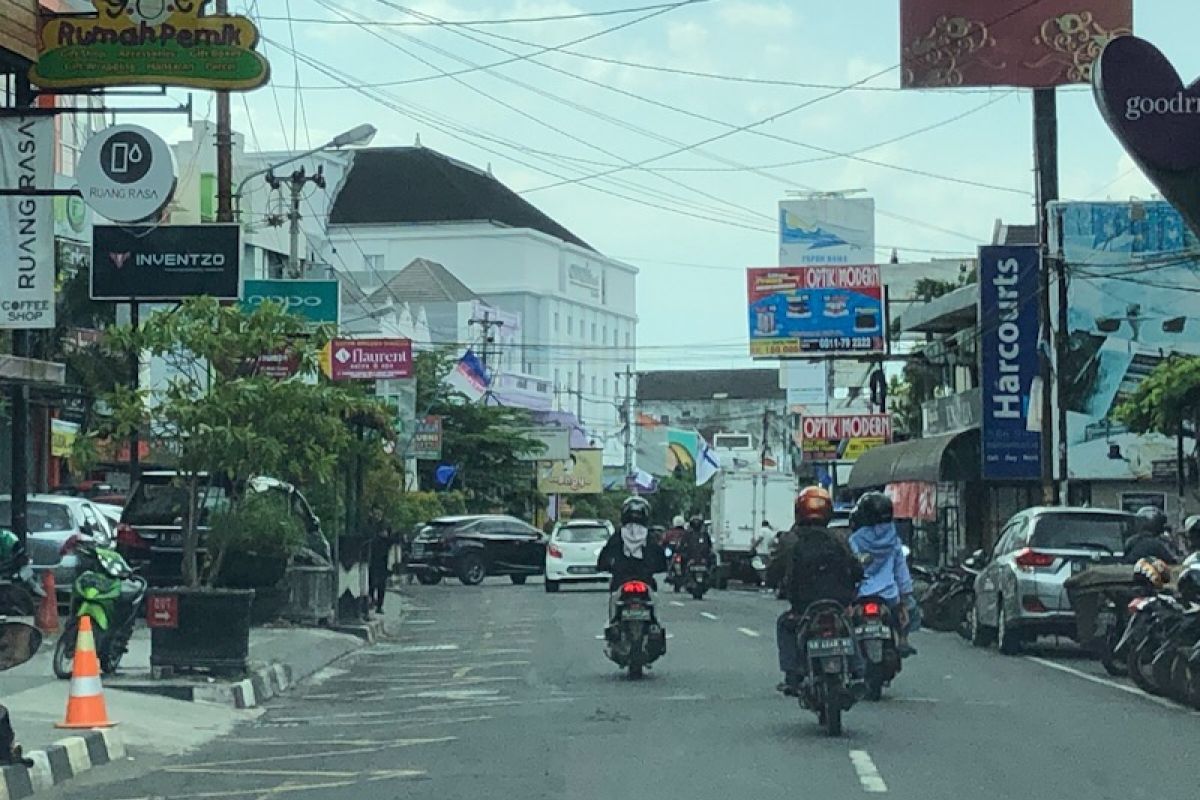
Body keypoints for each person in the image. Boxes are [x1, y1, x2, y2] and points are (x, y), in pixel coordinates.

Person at [775, 486, 863, 695]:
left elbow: (775, 570)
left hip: (804, 607)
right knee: (849, 627)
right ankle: (858, 671)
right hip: (837, 604)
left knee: (784, 626)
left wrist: (775, 581)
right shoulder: (839, 539)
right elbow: (856, 568)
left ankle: (792, 675)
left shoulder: (791, 540)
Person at [848, 492, 916, 658]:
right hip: (889, 595)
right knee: (911, 608)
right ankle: (903, 640)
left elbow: (850, 567)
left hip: (860, 594)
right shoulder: (893, 539)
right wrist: (905, 595)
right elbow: (901, 571)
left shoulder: (855, 539)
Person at [598, 496, 667, 622]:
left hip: (621, 579)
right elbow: (661, 560)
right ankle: (655, 624)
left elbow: (604, 557)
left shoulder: (618, 536)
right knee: (654, 603)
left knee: (614, 599)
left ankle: (613, 623)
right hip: (645, 579)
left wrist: (604, 566)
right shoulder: (650, 537)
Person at [367, 511, 396, 614]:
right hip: (370, 558)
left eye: (379, 513)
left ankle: (379, 605)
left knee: (381, 584)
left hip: (382, 558)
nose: (377, 515)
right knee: (370, 582)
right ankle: (370, 600)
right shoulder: (369, 524)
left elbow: (392, 540)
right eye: (375, 513)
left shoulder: (386, 524)